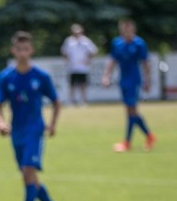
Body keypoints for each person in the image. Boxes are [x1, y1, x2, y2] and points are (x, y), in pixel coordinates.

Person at [0, 31, 65, 201]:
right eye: (19, 49)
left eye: (26, 49)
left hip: (35, 130)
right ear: (13, 51)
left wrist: (52, 125)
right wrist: (0, 122)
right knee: (30, 178)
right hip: (17, 132)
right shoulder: (6, 77)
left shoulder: (41, 77)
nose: (22, 53)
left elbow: (56, 102)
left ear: (31, 50)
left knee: (28, 174)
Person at [101, 19, 156, 152]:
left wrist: (147, 80)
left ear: (133, 29)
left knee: (132, 110)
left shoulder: (139, 43)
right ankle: (147, 137)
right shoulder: (117, 43)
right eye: (123, 29)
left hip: (134, 80)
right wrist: (106, 76)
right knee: (130, 111)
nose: (126, 31)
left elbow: (145, 63)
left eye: (128, 28)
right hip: (123, 80)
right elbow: (112, 61)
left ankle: (129, 141)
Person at [61, 24, 98, 106]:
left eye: (78, 32)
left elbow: (93, 51)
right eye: (75, 32)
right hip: (72, 67)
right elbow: (64, 52)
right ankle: (71, 101)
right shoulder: (69, 41)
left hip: (83, 67)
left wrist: (88, 60)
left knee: (83, 84)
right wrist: (67, 61)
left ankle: (84, 101)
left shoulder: (86, 41)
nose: (76, 34)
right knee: (72, 85)